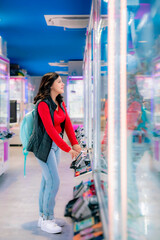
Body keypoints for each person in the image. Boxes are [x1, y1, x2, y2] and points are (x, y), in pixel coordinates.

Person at [27, 72, 82, 234]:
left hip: (55, 146)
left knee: (47, 181)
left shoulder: (59, 102)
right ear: (50, 85)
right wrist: (68, 149)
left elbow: (67, 123)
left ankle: (43, 217)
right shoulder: (43, 104)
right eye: (59, 82)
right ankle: (47, 219)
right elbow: (50, 130)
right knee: (53, 182)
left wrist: (75, 144)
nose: (63, 84)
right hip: (43, 146)